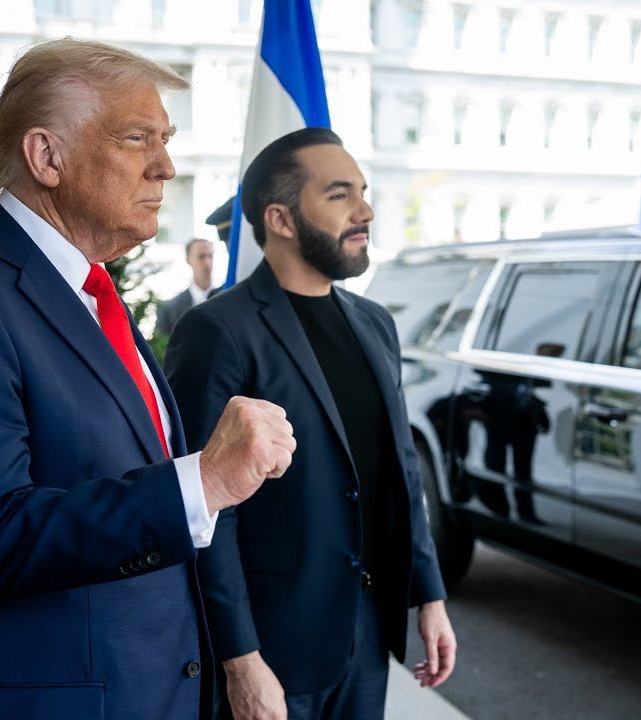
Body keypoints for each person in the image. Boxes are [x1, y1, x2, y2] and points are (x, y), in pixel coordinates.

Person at [0, 38, 296, 720]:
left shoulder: (90, 293)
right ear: (46, 156)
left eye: (166, 138)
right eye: (137, 137)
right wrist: (200, 481)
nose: (166, 166)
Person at [165, 127, 457, 720]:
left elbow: (399, 469)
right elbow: (207, 509)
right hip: (274, 649)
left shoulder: (375, 324)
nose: (366, 211)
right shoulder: (218, 331)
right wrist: (240, 658)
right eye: (340, 195)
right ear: (282, 218)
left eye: (364, 192)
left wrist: (429, 593)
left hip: (368, 635)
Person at [157, 237, 218, 337]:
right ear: (188, 260)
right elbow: (161, 347)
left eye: (210, 256)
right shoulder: (169, 309)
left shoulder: (227, 300)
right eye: (201, 257)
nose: (207, 262)